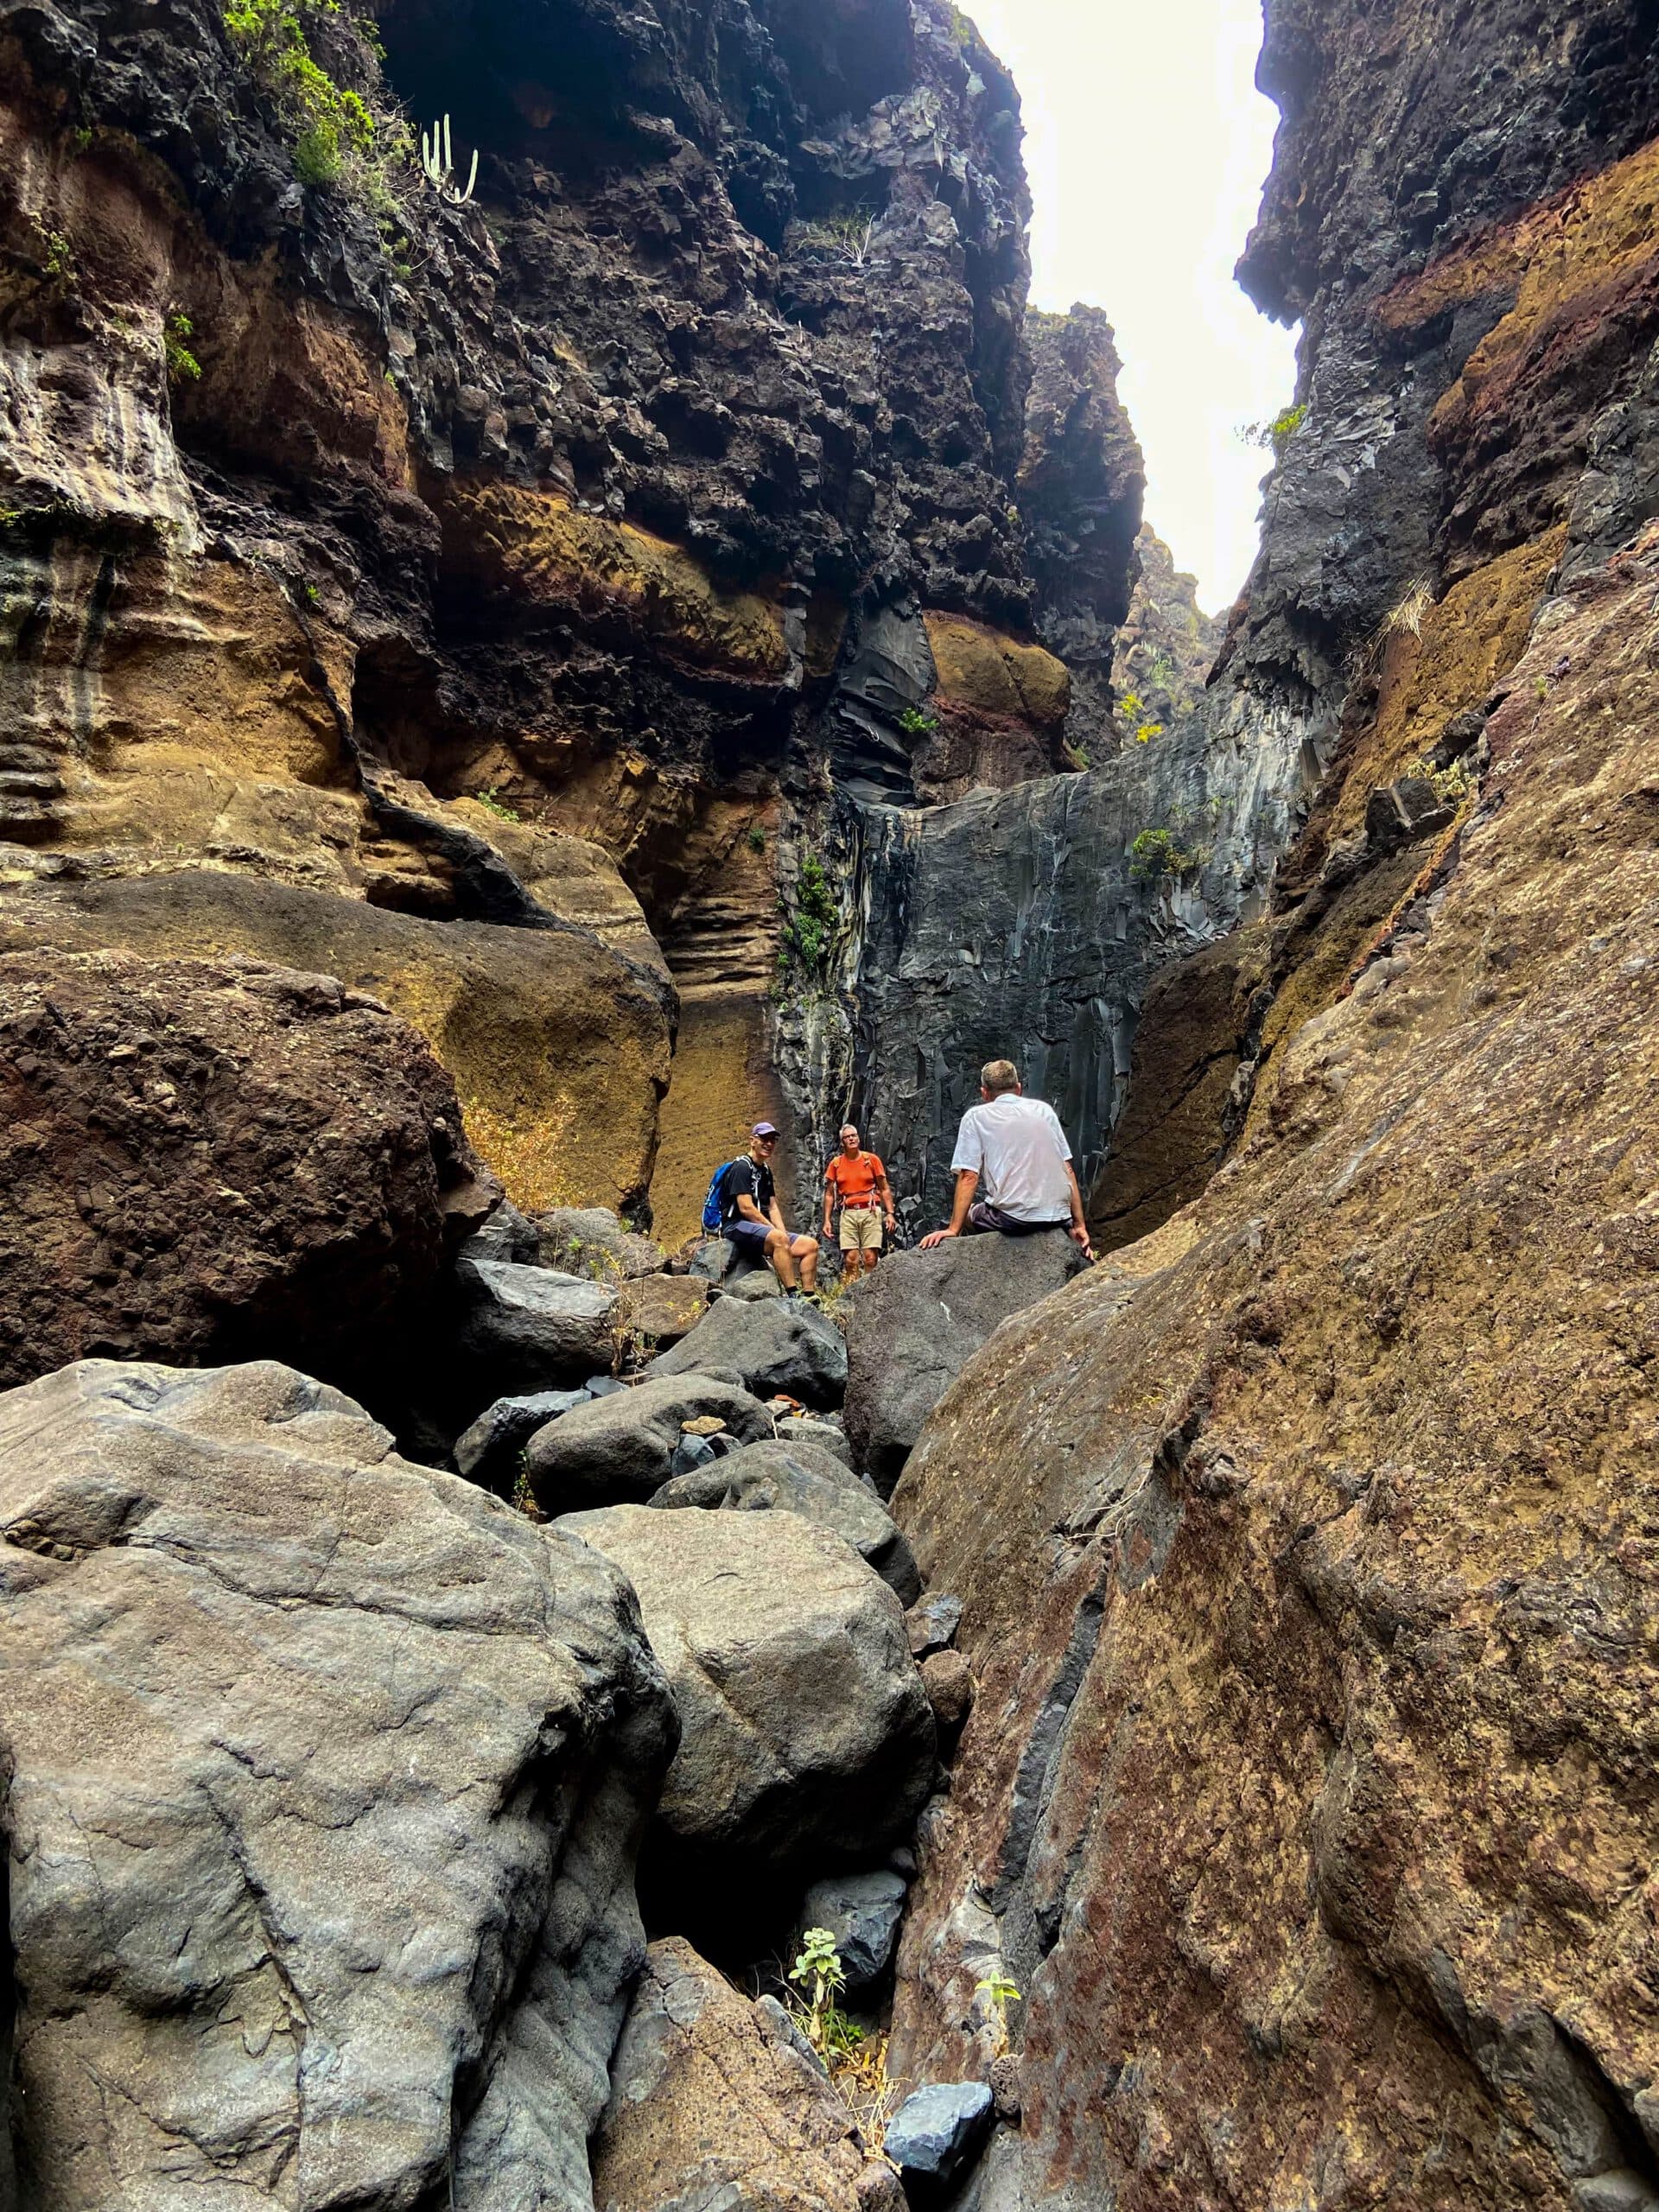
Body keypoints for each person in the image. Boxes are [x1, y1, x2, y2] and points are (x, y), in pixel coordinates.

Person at [919, 1060, 1093, 1258]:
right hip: (1058, 1217)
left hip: (1014, 1219)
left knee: (971, 1214)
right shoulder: (1044, 1110)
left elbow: (969, 1176)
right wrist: (1079, 1225)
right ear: (1018, 1088)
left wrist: (953, 1229)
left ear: (984, 1093)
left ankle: (982, 1261)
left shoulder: (976, 1116)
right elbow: (1067, 1169)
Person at [716, 1122, 820, 1295]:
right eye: (764, 1138)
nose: (769, 1143)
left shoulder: (765, 1170)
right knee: (779, 1238)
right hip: (735, 1225)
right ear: (752, 1141)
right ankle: (792, 1295)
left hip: (758, 1229)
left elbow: (772, 1206)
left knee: (810, 1245)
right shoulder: (741, 1167)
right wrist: (774, 1232)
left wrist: (782, 1233)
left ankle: (809, 1296)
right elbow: (746, 1208)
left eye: (772, 1140)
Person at [821, 1123, 895, 1281]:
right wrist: (826, 1220)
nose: (851, 1139)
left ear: (858, 1138)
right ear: (842, 1142)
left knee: (870, 1258)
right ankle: (849, 1296)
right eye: (847, 1137)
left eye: (853, 1135)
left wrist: (890, 1213)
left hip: (870, 1211)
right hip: (848, 1213)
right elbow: (829, 1194)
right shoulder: (835, 1164)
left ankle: (869, 1294)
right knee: (851, 1260)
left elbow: (884, 1188)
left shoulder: (872, 1160)